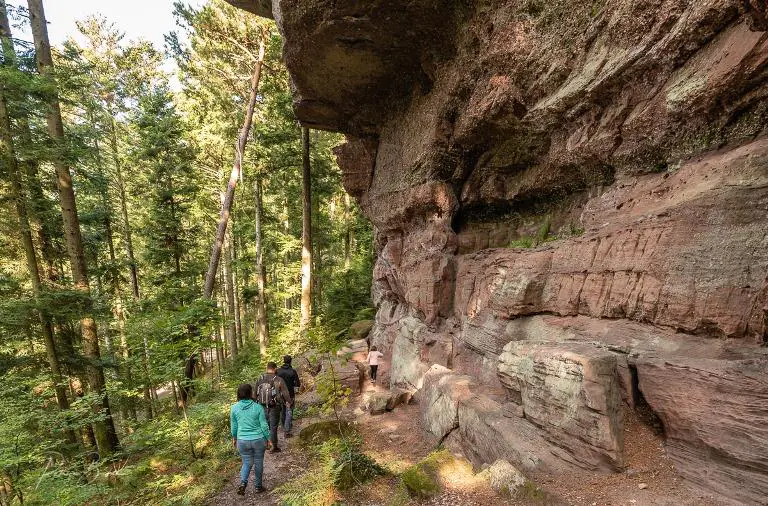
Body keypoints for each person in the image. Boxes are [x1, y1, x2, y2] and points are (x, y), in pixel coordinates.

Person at [230, 383, 271, 496]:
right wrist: (269, 439)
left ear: (238, 394)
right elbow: (264, 425)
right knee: (258, 462)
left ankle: (243, 483)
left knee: (247, 462)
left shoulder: (234, 408)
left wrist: (234, 438)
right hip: (258, 440)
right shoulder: (257, 407)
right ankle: (258, 487)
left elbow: (234, 427)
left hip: (242, 440)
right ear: (250, 393)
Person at [255, 362, 292, 452]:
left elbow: (255, 393)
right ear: (275, 369)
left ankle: (266, 444)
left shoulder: (260, 379)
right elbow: (285, 393)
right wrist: (289, 402)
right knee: (273, 426)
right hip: (274, 406)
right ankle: (274, 446)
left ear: (266, 368)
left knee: (264, 425)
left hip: (261, 406)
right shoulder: (278, 379)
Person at [276, 355, 301, 437]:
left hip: (279, 394)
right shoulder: (292, 371)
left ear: (283, 361)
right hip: (290, 394)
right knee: (289, 411)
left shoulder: (278, 371)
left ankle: (284, 425)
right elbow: (298, 384)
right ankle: (287, 430)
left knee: (282, 410)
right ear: (290, 361)